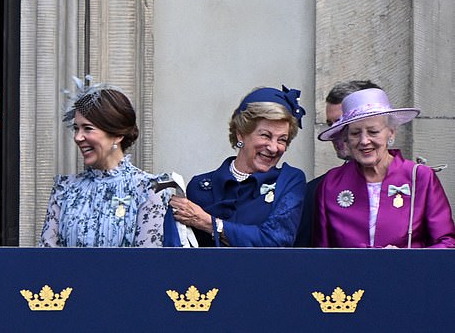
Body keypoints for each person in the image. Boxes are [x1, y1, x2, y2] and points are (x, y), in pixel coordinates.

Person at [39, 77, 174, 247]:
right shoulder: (64, 189)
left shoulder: (149, 189)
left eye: (88, 128)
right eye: (76, 128)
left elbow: (146, 263)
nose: (78, 137)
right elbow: (46, 258)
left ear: (117, 134)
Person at [314, 88, 455, 248]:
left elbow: (447, 243)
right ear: (346, 138)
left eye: (373, 132)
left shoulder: (420, 177)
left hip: (407, 272)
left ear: (391, 133)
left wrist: (407, 259)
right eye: (355, 133)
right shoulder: (332, 183)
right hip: (350, 273)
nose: (364, 141)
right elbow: (322, 252)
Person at [170, 85, 307, 247]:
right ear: (241, 134)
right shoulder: (200, 187)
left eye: (282, 140)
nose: (273, 147)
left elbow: (276, 241)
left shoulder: (289, 181)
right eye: (265, 135)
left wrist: (208, 223)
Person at [294, 80, 380, 246]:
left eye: (342, 122)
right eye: (330, 124)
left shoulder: (414, 180)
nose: (333, 132)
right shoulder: (317, 190)